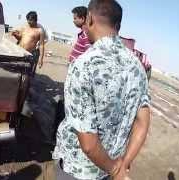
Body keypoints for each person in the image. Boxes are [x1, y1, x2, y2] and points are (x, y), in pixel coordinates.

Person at [53, 0, 151, 180]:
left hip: (78, 170)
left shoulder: (83, 65)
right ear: (118, 25)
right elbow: (142, 122)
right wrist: (123, 164)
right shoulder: (138, 68)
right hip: (109, 169)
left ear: (89, 18)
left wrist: (114, 169)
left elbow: (89, 145)